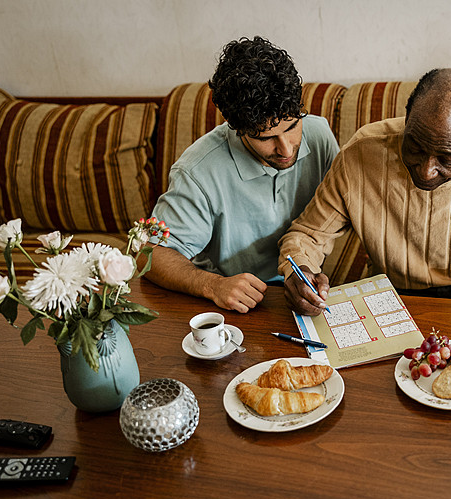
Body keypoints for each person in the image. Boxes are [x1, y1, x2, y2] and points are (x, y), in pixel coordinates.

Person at [279, 68, 451, 316]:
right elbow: (308, 235)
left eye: (447, 157)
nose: (427, 171)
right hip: (391, 290)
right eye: (416, 148)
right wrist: (299, 270)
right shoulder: (361, 153)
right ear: (406, 119)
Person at [145, 36, 339, 313]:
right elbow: (151, 254)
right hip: (236, 303)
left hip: (306, 291)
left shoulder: (319, 134)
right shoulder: (197, 171)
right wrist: (213, 286)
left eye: (292, 126)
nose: (285, 149)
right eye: (266, 137)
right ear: (236, 127)